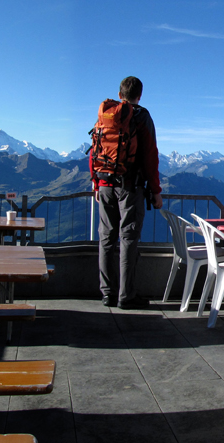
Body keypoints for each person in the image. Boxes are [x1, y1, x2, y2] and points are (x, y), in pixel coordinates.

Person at [90, 76, 161, 309]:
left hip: (104, 185)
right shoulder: (141, 116)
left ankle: (106, 293)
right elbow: (150, 156)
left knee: (106, 239)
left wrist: (95, 181)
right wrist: (156, 191)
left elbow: (94, 150)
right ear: (139, 95)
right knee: (128, 239)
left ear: (120, 94)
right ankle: (126, 296)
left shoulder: (107, 115)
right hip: (129, 187)